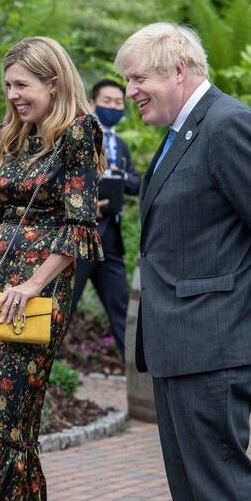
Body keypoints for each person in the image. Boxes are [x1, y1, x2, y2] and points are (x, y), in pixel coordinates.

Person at [115, 22, 251, 501]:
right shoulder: (184, 131)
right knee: (194, 490)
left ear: (179, 70)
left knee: (219, 489)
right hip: (182, 344)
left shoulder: (227, 124)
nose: (129, 91)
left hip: (214, 343)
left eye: (138, 79)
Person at [0, 36, 105, 501]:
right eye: (8, 85)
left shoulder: (78, 133)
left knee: (6, 412)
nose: (13, 95)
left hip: (37, 291)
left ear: (53, 83)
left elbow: (79, 229)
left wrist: (31, 285)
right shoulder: (10, 135)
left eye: (23, 85)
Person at [69, 79, 141, 358]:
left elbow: (136, 182)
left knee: (121, 305)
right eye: (107, 101)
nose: (113, 107)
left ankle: (137, 372)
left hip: (111, 236)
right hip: (81, 235)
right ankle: (46, 368)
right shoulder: (76, 138)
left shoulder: (121, 147)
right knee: (65, 301)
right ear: (92, 103)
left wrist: (118, 175)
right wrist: (85, 207)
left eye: (118, 103)